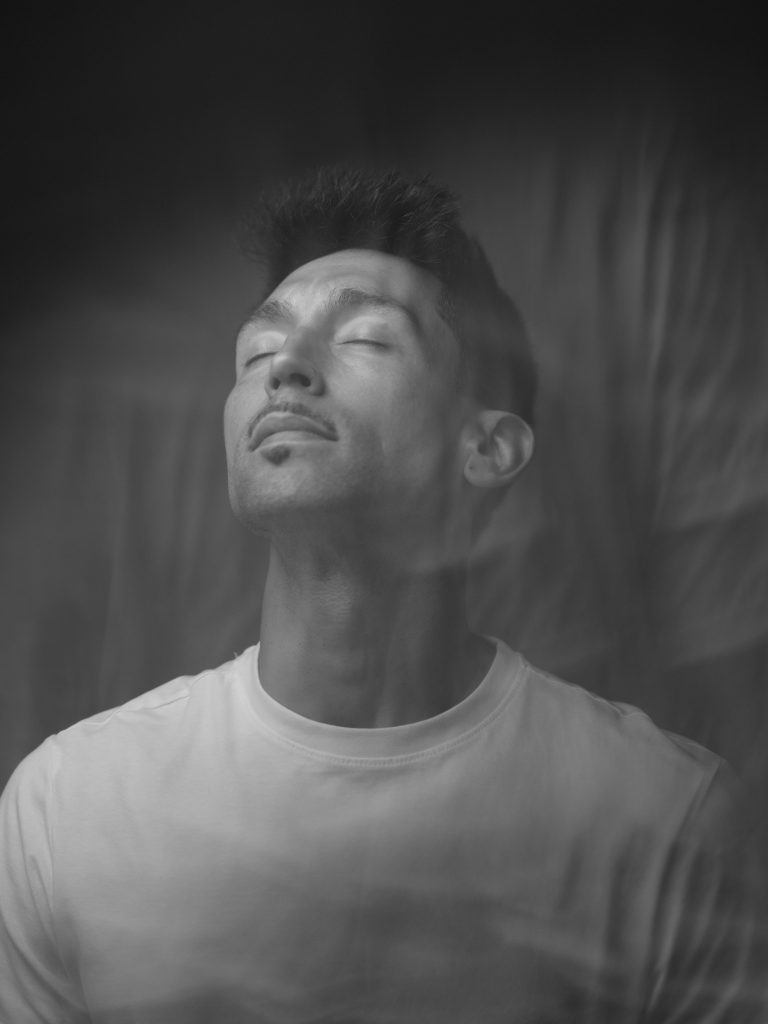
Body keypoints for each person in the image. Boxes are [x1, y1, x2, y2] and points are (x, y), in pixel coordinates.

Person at [0, 165, 764, 1023]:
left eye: (365, 339)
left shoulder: (669, 823)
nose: (286, 369)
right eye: (257, 353)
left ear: (488, 449)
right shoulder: (66, 809)